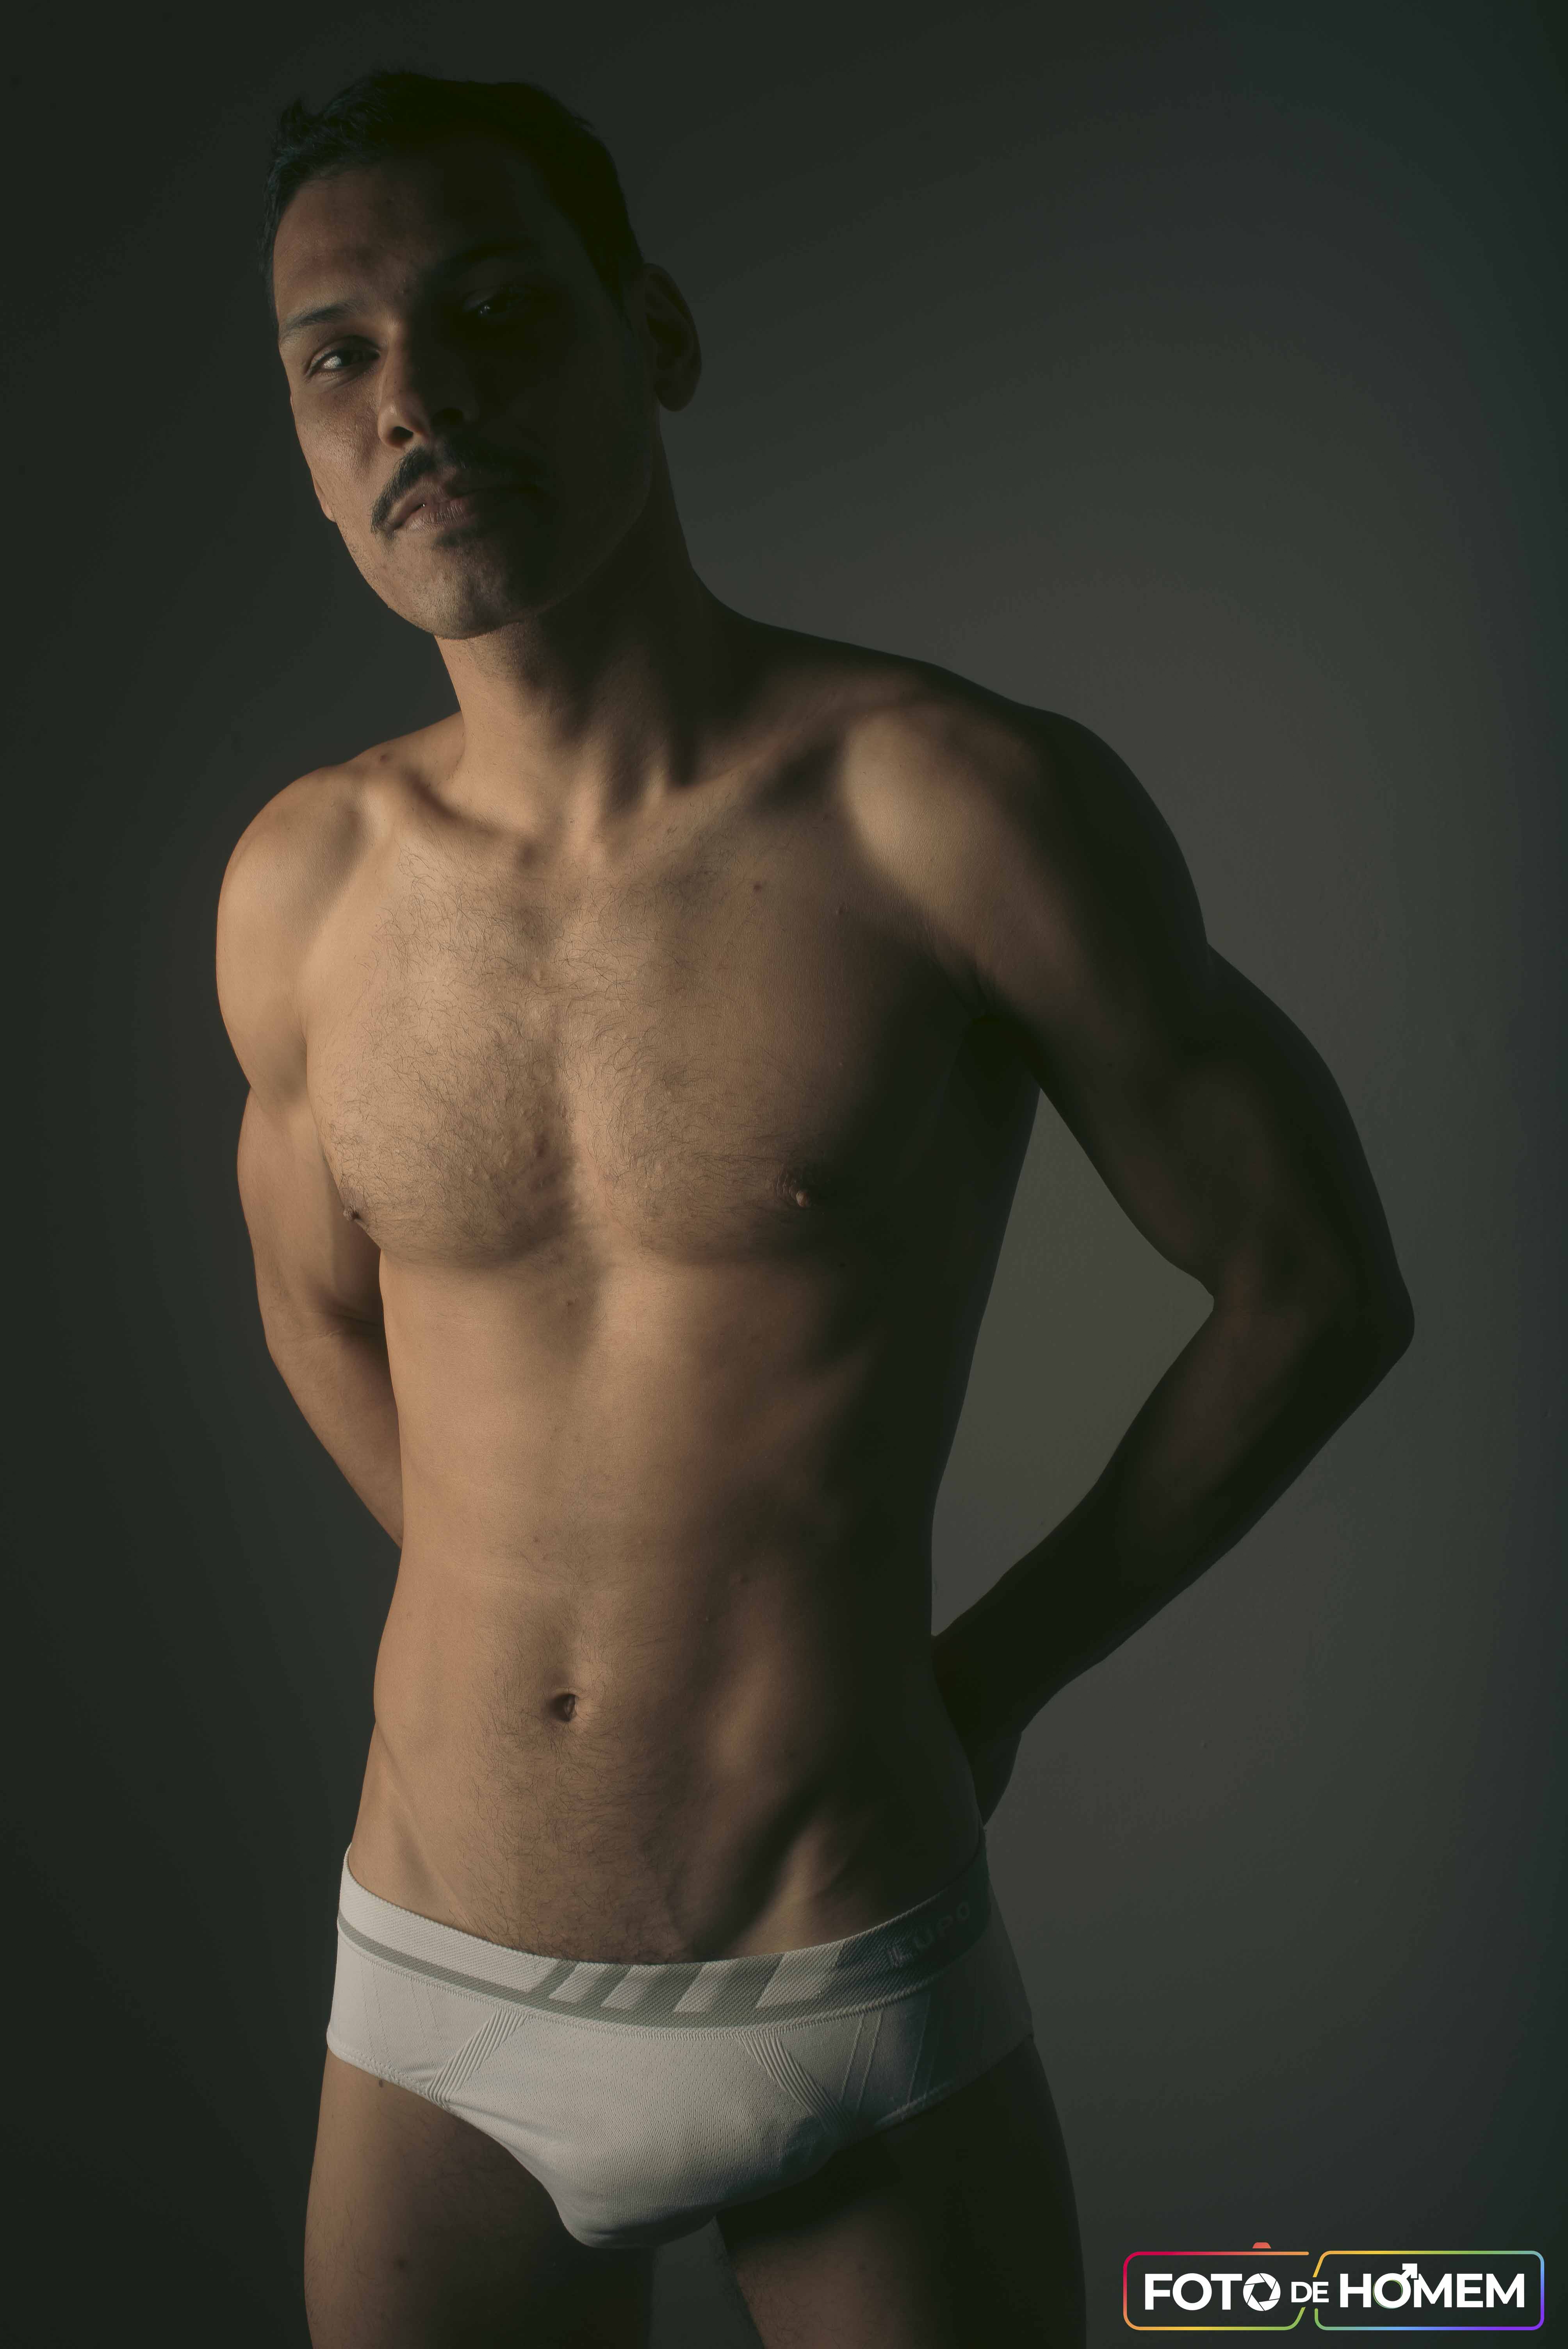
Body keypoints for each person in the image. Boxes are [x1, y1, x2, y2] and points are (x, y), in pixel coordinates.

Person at [216, 68, 1414, 2349]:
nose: (418, 404)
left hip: (834, 1973)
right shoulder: (301, 887)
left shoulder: (947, 808)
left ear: (653, 334)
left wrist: (991, 1682)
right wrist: (524, 1598)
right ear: (305, 434)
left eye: (495, 315)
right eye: (339, 357)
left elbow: (1313, 1287)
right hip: (434, 1992)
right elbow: (311, 1309)